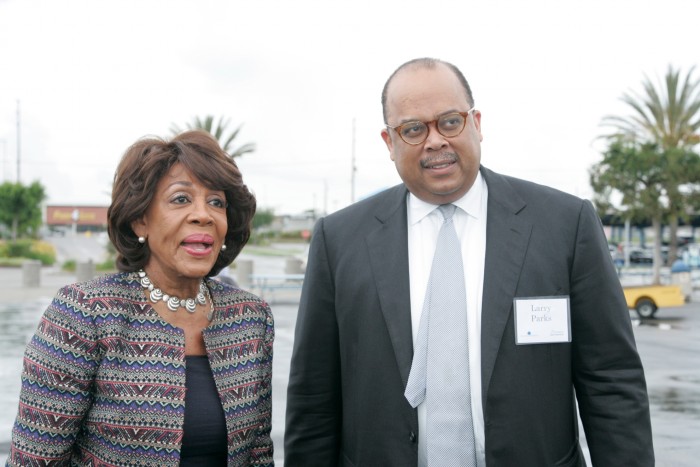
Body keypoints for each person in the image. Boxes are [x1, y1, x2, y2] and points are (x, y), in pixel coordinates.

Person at [284, 58, 654, 466]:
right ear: (389, 143)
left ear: (476, 123)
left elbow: (611, 382)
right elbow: (313, 398)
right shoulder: (339, 241)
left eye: (449, 122)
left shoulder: (566, 225)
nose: (435, 141)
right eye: (413, 129)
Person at [7, 130, 274, 466]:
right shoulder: (86, 313)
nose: (203, 214)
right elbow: (34, 460)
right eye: (181, 199)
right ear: (139, 220)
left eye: (216, 202)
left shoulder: (252, 318)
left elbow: (258, 454)